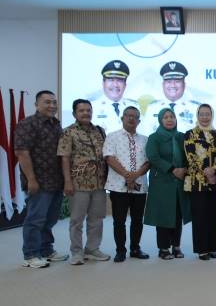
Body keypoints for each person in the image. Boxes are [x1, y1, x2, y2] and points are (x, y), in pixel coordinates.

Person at [15, 90, 66, 268]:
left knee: (50, 219)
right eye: (47, 102)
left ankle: (46, 249)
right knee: (35, 219)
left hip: (56, 180)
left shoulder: (56, 124)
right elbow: (21, 152)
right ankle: (30, 255)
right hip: (38, 181)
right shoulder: (27, 124)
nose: (52, 105)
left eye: (54, 102)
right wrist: (31, 179)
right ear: (37, 104)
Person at [57, 99, 110, 265]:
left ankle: (92, 249)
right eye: (81, 110)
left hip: (99, 183)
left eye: (88, 110)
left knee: (97, 218)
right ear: (74, 113)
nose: (86, 113)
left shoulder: (99, 131)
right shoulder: (68, 132)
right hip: (78, 183)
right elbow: (64, 158)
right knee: (76, 220)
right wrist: (67, 181)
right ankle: (77, 252)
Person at [102, 105, 150, 262]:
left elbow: (149, 162)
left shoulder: (145, 139)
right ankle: (120, 250)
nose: (131, 118)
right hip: (118, 186)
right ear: (122, 118)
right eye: (128, 115)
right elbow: (109, 158)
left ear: (139, 121)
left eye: (135, 116)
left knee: (137, 220)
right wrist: (127, 175)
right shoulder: (112, 136)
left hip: (140, 186)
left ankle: (135, 248)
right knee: (119, 221)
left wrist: (136, 175)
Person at [144, 108, 191, 259]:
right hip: (162, 182)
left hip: (179, 181)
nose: (169, 119)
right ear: (160, 120)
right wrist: (172, 169)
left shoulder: (181, 136)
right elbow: (153, 157)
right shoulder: (154, 137)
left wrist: (185, 169)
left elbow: (189, 155)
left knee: (177, 214)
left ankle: (176, 246)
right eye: (165, 117)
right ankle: (163, 248)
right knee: (163, 215)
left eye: (172, 117)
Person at [183, 104, 216, 260]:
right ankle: (202, 249)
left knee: (214, 216)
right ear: (197, 115)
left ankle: (212, 248)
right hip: (197, 181)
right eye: (202, 114)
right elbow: (190, 156)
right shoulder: (190, 134)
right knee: (200, 216)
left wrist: (214, 169)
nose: (205, 117)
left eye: (208, 114)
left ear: (212, 115)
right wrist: (205, 171)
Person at [92, 60, 133, 133]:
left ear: (125, 85)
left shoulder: (135, 107)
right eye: (111, 80)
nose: (115, 85)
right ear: (103, 83)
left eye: (120, 80)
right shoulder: (92, 108)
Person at [153, 62, 196, 128]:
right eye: (169, 81)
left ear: (184, 85)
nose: (173, 85)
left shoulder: (195, 109)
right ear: (163, 85)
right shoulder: (152, 108)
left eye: (177, 81)